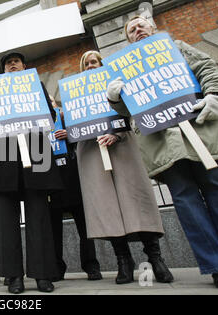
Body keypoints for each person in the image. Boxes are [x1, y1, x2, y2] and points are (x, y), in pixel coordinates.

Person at [107, 15, 218, 289]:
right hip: (164, 145)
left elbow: (207, 68)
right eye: (131, 30)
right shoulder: (125, 69)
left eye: (140, 25)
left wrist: (215, 95)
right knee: (185, 201)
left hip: (201, 132)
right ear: (129, 39)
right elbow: (127, 111)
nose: (137, 30)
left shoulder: (177, 46)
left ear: (153, 28)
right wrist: (115, 99)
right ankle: (217, 265)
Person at [78, 50, 174, 285]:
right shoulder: (77, 91)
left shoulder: (118, 83)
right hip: (93, 150)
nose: (91, 66)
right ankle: (123, 260)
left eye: (95, 62)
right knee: (108, 205)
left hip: (123, 147)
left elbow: (133, 109)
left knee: (137, 199)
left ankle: (155, 257)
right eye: (86, 64)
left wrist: (117, 134)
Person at [0, 52, 62, 294]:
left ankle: (42, 274)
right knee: (5, 222)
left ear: (25, 66)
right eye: (7, 64)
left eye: (15, 62)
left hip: (35, 157)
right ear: (3, 71)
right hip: (3, 161)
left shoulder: (37, 86)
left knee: (39, 218)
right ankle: (13, 276)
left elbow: (51, 117)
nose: (11, 65)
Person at [48, 96, 103, 282]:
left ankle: (91, 266)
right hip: (52, 181)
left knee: (84, 227)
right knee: (53, 230)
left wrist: (69, 134)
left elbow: (86, 137)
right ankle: (56, 267)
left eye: (51, 102)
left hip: (73, 178)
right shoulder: (37, 124)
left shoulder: (68, 120)